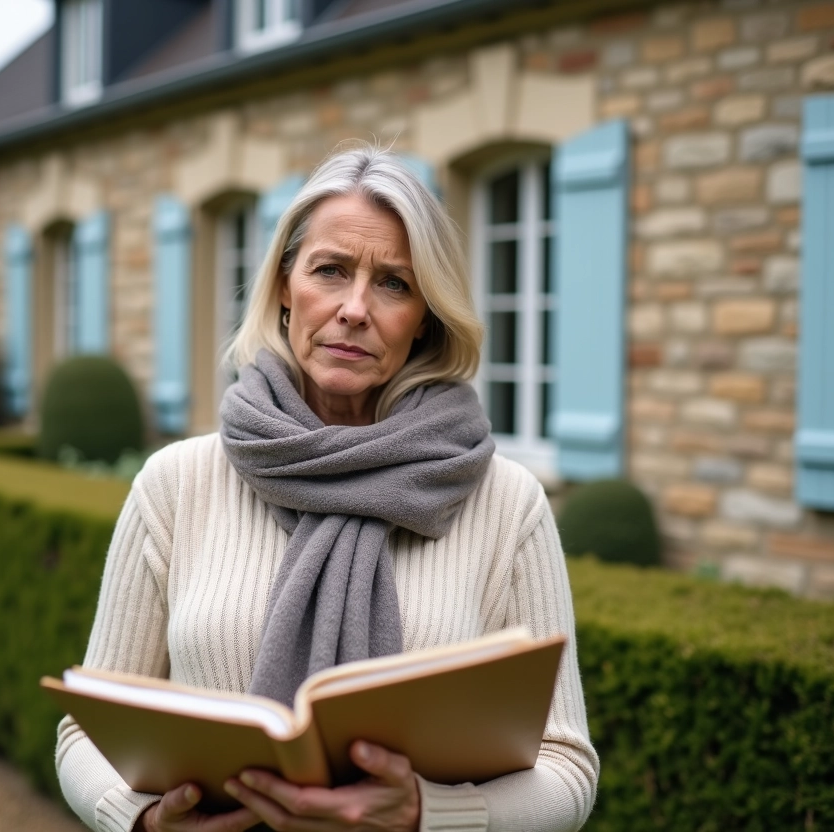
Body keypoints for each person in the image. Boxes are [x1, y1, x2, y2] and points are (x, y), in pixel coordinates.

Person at [55, 144, 599, 832]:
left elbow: (567, 767)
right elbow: (84, 733)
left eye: (394, 284)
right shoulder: (176, 485)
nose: (355, 308)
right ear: (285, 288)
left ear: (425, 318)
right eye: (330, 270)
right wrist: (140, 820)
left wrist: (429, 815)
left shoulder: (506, 503)